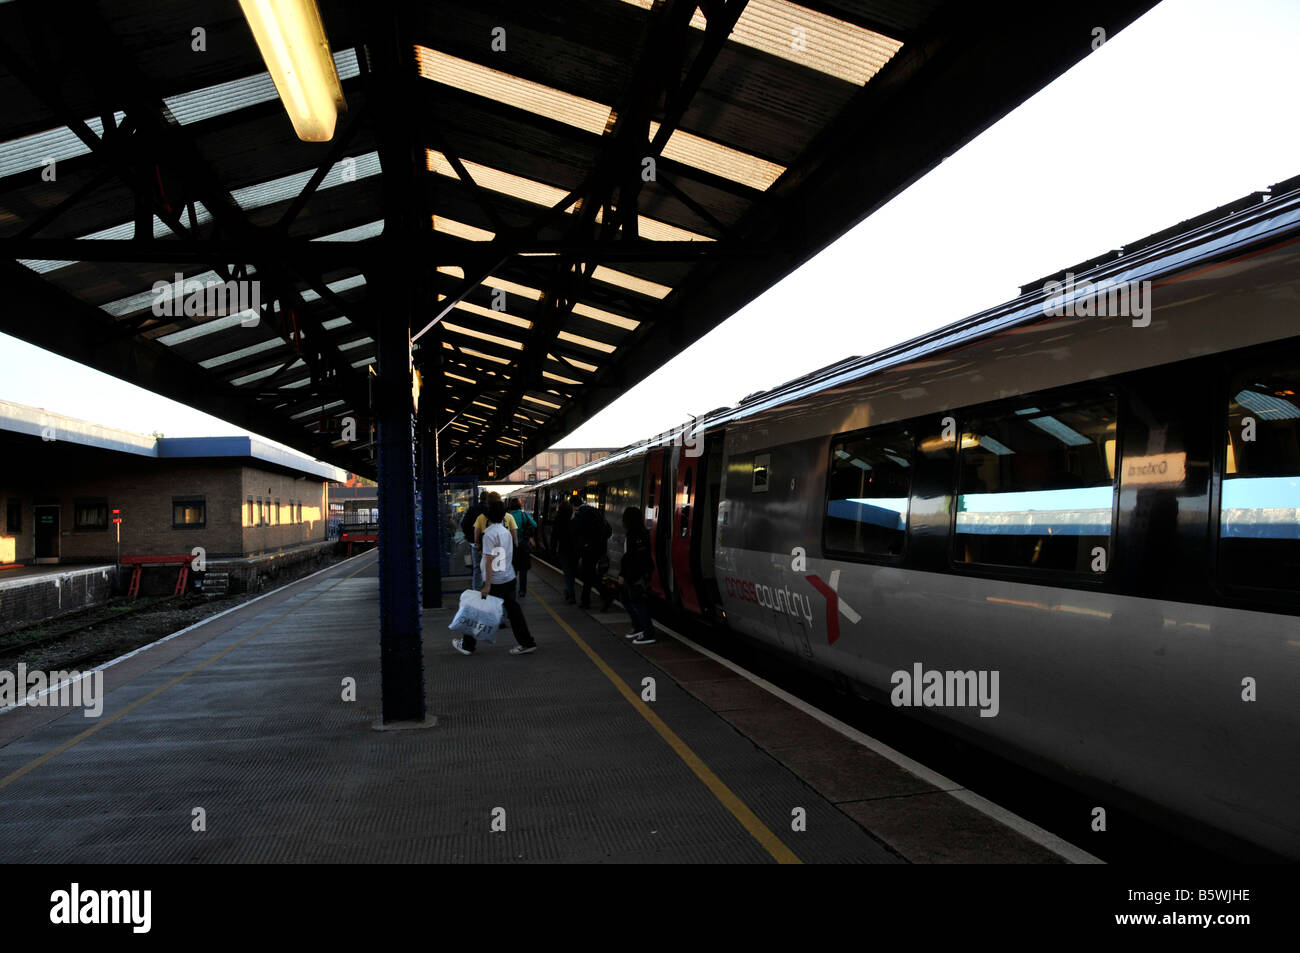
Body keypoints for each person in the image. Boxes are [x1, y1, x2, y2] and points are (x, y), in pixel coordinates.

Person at [452, 499, 537, 656]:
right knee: (514, 611)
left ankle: (467, 645)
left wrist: (487, 585)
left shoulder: (489, 534)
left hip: (496, 580)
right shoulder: (506, 532)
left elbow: (489, 560)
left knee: (476, 610)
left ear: (488, 516)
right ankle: (527, 642)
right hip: (508, 576)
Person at [618, 506, 656, 644]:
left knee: (636, 602)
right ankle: (639, 626)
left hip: (634, 574)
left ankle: (648, 632)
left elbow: (629, 557)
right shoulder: (642, 533)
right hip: (640, 573)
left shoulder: (633, 534)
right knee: (629, 599)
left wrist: (623, 574)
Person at [571, 496, 611, 610]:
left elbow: (575, 532)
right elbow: (607, 529)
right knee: (589, 573)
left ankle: (604, 594)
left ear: (573, 506)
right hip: (600, 548)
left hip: (588, 549)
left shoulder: (581, 514)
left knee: (588, 574)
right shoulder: (594, 510)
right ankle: (588, 599)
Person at [508, 498, 537, 597]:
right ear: (520, 506)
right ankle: (522, 591)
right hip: (524, 546)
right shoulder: (524, 515)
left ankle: (512, 589)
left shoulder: (508, 516)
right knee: (523, 570)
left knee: (512, 569)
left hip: (511, 546)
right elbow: (535, 525)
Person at [462, 491, 488, 589]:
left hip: (475, 544)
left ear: (480, 498)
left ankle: (476, 590)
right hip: (489, 543)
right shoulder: (490, 510)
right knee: (491, 566)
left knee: (477, 568)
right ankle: (489, 589)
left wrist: (470, 539)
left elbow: (464, 525)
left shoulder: (472, 509)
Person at [552, 499, 576, 603]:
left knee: (567, 573)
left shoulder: (558, 520)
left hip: (564, 549)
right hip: (575, 550)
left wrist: (552, 550)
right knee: (572, 573)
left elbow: (554, 536)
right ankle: (569, 590)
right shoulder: (574, 519)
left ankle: (571, 595)